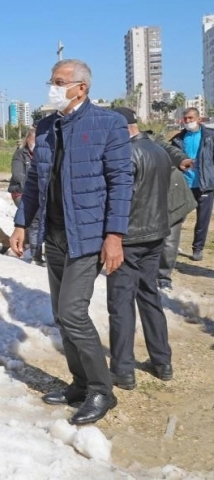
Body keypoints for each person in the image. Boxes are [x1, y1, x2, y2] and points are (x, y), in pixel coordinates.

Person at [10, 59, 132, 425]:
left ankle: (101, 390)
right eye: (51, 81)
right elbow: (34, 183)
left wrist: (115, 236)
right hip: (56, 234)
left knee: (74, 314)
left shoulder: (108, 124)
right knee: (62, 317)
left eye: (60, 82)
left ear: (81, 87)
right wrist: (20, 224)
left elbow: (121, 183)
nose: (53, 87)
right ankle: (79, 384)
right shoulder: (46, 127)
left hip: (89, 237)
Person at [107, 108, 173, 390]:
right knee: (150, 297)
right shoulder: (159, 150)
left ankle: (123, 369)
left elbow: (118, 198)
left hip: (129, 238)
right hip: (156, 234)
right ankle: (162, 361)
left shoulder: (125, 155)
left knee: (121, 303)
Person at [151, 133, 197, 291]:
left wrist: (182, 159)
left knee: (170, 240)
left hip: (172, 195)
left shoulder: (152, 141)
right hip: (146, 199)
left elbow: (170, 150)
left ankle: (164, 277)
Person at [169, 107, 214, 261]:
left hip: (204, 184)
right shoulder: (178, 139)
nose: (187, 121)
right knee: (177, 217)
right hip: (184, 185)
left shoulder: (210, 136)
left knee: (202, 220)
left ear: (199, 119)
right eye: (185, 119)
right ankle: (172, 245)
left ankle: (198, 248)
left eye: (190, 118)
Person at [8, 128, 43, 265]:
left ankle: (27, 245)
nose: (35, 142)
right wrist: (35, 182)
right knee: (34, 220)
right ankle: (36, 256)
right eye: (32, 139)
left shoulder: (43, 154)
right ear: (27, 139)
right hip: (21, 192)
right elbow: (17, 175)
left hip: (39, 192)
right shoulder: (20, 154)